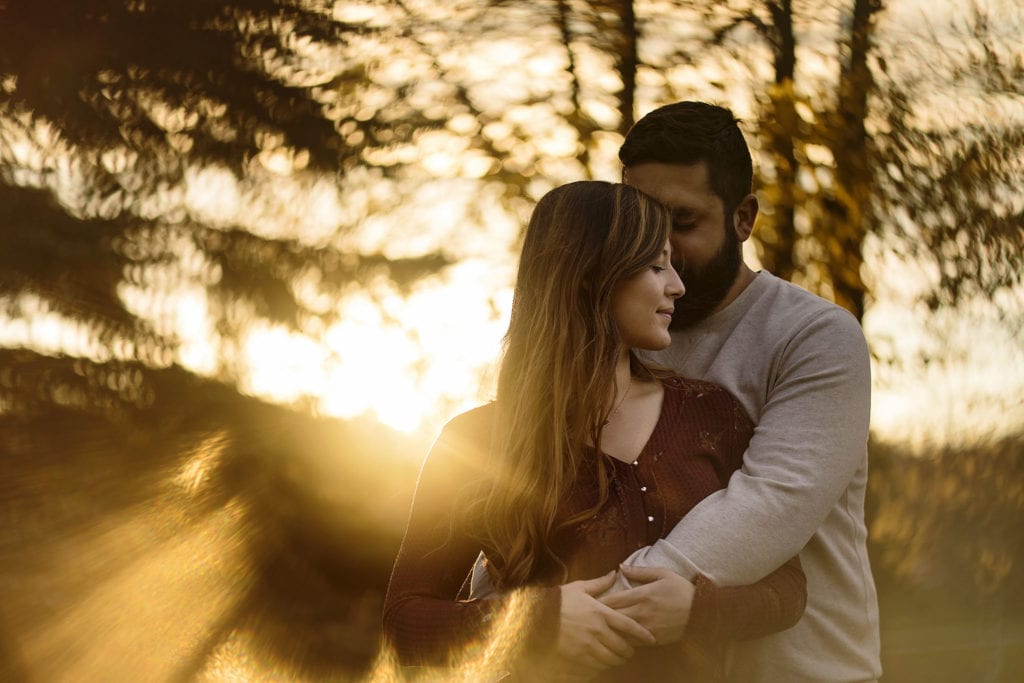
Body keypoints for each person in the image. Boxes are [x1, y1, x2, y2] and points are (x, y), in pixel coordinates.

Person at [382, 181, 806, 681]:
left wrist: (695, 611)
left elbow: (789, 588)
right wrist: (537, 622)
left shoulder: (711, 416)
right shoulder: (475, 442)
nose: (677, 286)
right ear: (592, 276)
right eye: (655, 266)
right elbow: (403, 623)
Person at [608, 101, 882, 682]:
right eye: (642, 223)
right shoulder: (618, 337)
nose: (661, 249)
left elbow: (773, 500)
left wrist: (598, 605)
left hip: (806, 670)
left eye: (682, 223)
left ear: (743, 218)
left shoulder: (814, 336)